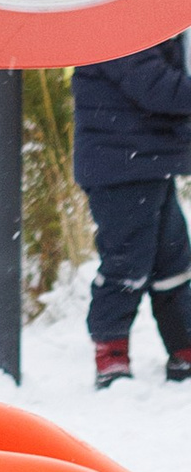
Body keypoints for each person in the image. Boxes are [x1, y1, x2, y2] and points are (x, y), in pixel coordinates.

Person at [73, 38, 191, 384]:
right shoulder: (118, 28)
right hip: (120, 166)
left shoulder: (143, 23)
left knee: (173, 262)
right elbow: (154, 87)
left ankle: (183, 347)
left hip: (149, 162)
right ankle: (110, 352)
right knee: (126, 264)